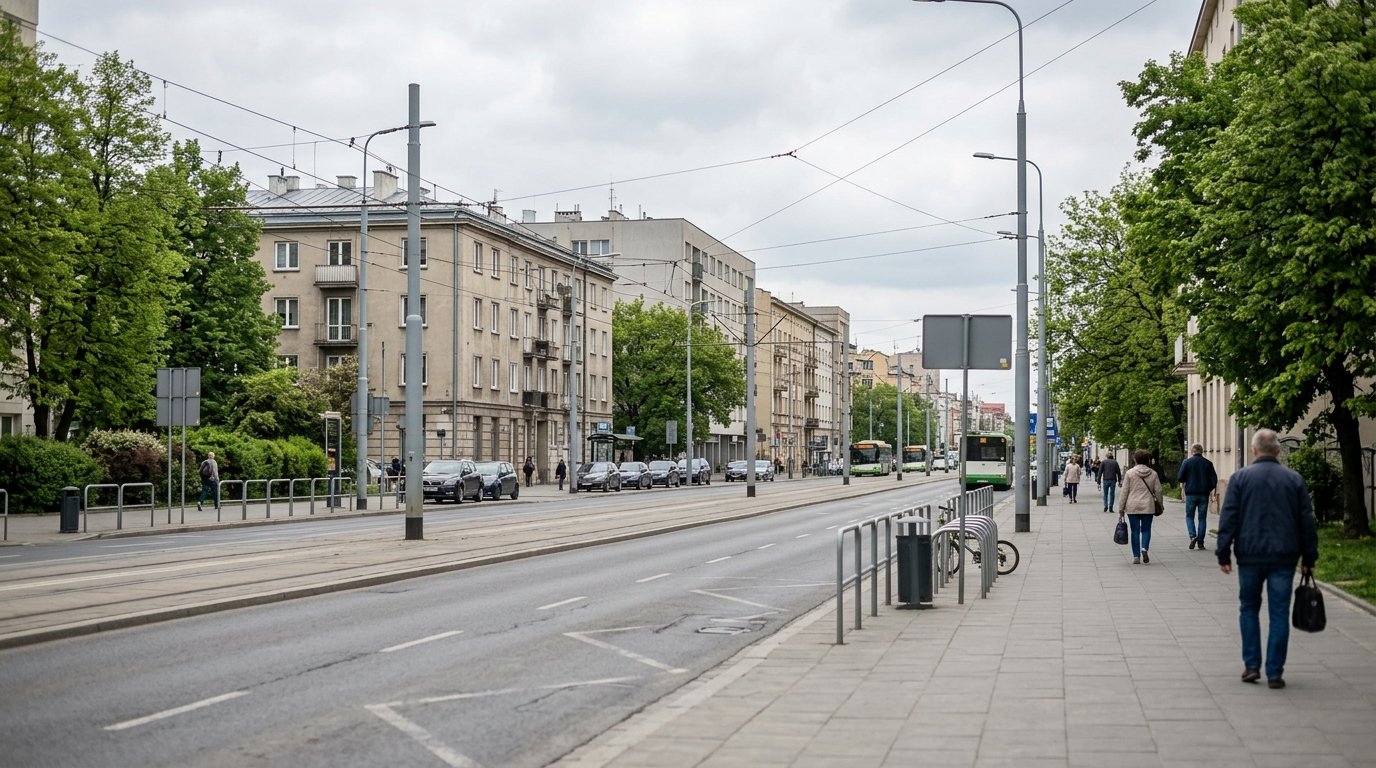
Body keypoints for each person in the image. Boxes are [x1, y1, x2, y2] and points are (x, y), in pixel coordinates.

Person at [1216, 429, 1318, 690]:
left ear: (1253, 451)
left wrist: (1223, 552)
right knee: (1279, 613)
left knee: (1248, 607)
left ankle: (1252, 666)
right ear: (1277, 451)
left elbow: (1229, 517)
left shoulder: (1240, 478)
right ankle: (1274, 672)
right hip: (1284, 556)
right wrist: (1309, 556)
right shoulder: (1293, 479)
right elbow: (1306, 521)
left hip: (1249, 555)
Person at [1117, 449, 1161, 564]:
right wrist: (1160, 504)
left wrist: (1121, 508)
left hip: (1132, 506)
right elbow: (1158, 491)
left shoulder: (1130, 473)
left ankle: (1136, 556)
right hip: (1148, 506)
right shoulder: (1153, 473)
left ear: (1135, 460)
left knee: (1135, 531)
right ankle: (1144, 548)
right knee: (1146, 529)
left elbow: (1124, 492)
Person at [1177, 442, 1219, 550]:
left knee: (1189, 516)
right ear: (1202, 451)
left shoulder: (1187, 462)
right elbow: (1214, 479)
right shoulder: (1208, 463)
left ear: (1192, 451)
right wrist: (1209, 488)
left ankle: (1192, 536)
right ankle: (1200, 542)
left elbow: (1180, 478)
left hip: (1191, 493)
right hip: (1204, 494)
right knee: (1202, 518)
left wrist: (1188, 479)